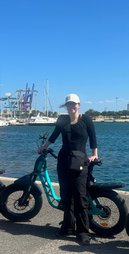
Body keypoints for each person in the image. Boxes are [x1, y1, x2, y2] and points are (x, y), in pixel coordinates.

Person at [37, 94, 98, 245]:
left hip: (80, 161)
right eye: (68, 104)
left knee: (79, 195)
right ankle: (68, 226)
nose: (71, 107)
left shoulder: (86, 119)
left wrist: (94, 155)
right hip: (64, 160)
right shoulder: (62, 119)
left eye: (74, 104)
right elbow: (54, 135)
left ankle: (83, 231)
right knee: (65, 195)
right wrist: (44, 147)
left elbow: (93, 138)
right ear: (66, 106)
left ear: (79, 105)